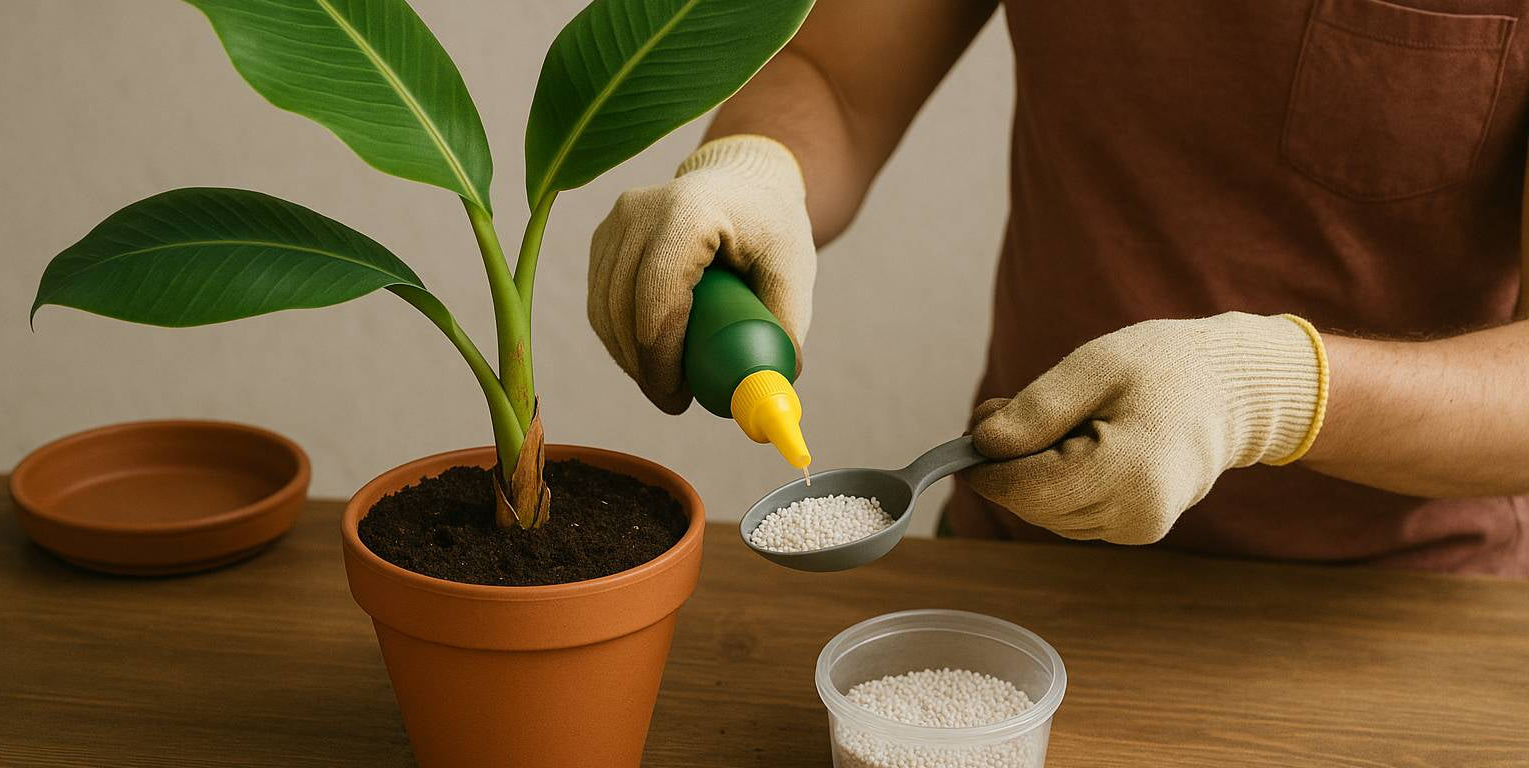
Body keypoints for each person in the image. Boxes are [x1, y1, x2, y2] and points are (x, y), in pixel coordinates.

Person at [586, 0, 1529, 577]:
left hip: (1396, 606)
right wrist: (758, 168)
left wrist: (1271, 391)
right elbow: (837, 76)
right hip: (1021, 565)